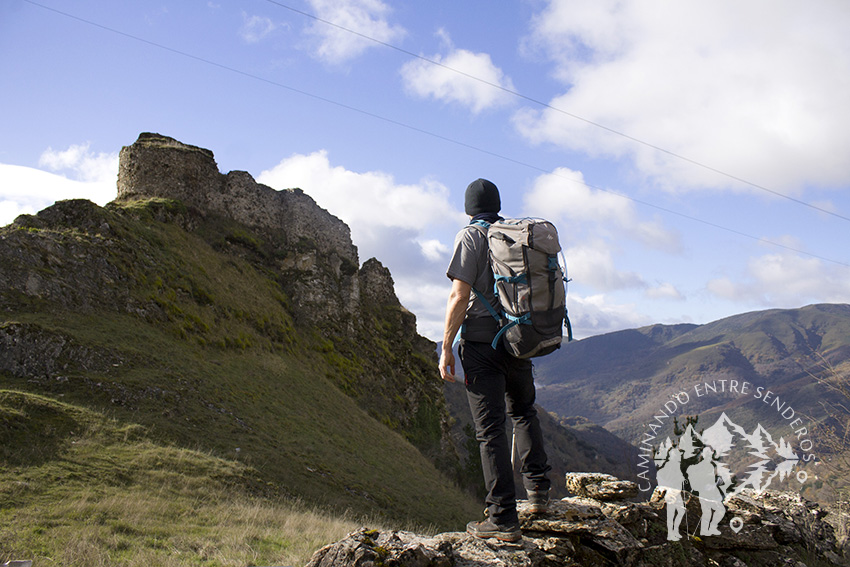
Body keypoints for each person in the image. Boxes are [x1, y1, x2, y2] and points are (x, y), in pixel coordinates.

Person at [439, 178, 551, 543]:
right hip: (519, 339)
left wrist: (445, 346)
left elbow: (459, 295)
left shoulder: (470, 236)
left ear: (469, 207)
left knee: (490, 431)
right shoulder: (514, 236)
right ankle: (538, 494)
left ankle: (502, 517)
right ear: (497, 205)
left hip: (482, 344)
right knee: (524, 412)